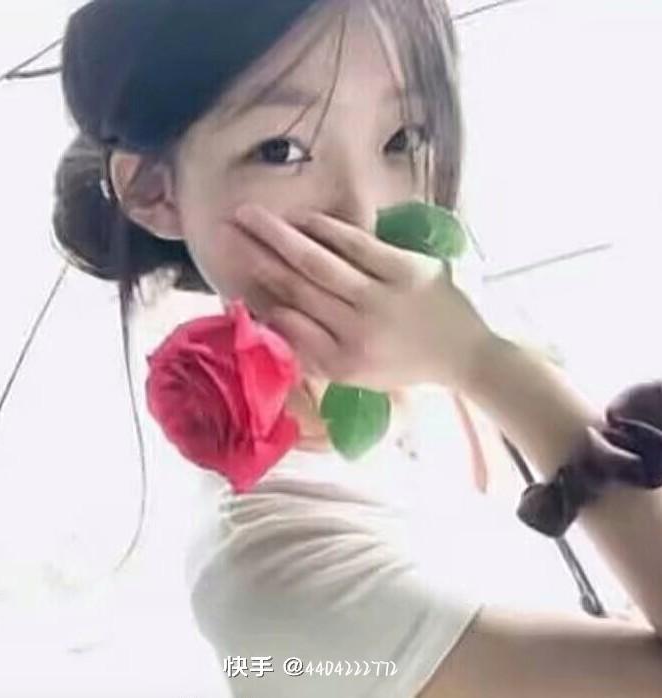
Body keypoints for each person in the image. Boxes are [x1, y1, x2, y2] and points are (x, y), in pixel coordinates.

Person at [54, 1, 662, 696]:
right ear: (153, 191)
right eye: (281, 150)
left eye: (404, 137)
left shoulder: (443, 318)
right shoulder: (276, 580)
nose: (365, 215)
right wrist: (484, 362)